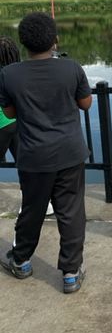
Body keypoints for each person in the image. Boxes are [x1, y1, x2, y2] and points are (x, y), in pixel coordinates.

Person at [0, 12, 92, 292]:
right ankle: (71, 273)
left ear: (23, 42)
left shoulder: (9, 74)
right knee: (71, 212)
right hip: (69, 153)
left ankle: (22, 261)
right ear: (55, 40)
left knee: (32, 209)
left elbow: (9, 112)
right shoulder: (71, 68)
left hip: (33, 157)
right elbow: (85, 103)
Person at [0, 36, 55, 217]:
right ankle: (40, 204)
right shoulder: (18, 74)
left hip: (3, 125)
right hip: (19, 123)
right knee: (26, 167)